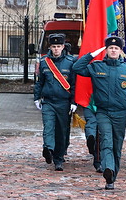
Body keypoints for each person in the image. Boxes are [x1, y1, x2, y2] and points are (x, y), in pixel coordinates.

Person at [73, 36, 126, 190]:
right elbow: (76, 68)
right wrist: (92, 54)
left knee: (117, 146)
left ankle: (112, 176)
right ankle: (108, 169)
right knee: (106, 142)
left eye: (116, 48)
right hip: (103, 113)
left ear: (121, 51)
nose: (113, 50)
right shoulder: (96, 67)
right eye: (110, 48)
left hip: (121, 114)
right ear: (106, 50)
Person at [33, 33, 76, 171]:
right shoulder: (45, 62)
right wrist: (36, 97)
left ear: (63, 47)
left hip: (64, 102)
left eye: (58, 46)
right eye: (53, 46)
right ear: (50, 47)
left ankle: (59, 159)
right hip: (49, 102)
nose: (56, 49)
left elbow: (74, 84)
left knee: (61, 131)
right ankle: (48, 149)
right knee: (48, 126)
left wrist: (74, 102)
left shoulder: (70, 62)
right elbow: (40, 82)